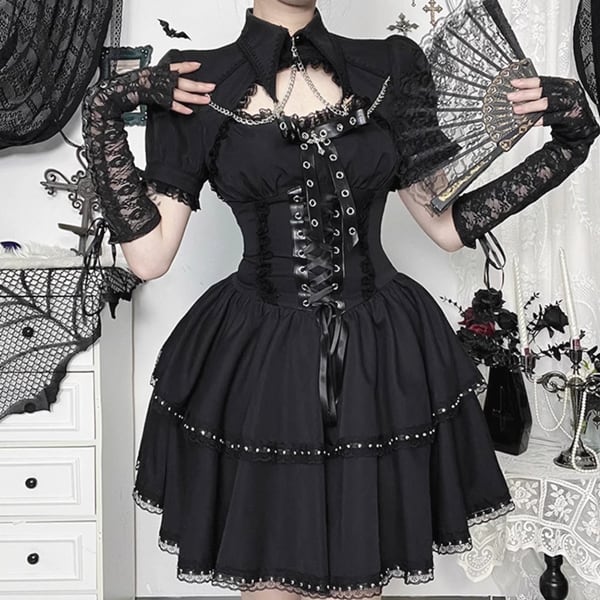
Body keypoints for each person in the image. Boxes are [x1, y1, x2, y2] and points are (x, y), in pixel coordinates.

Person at [81, 0, 599, 598]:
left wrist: (569, 142)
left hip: (379, 355)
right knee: (270, 581)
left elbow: (445, 225)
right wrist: (102, 110)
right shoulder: (196, 80)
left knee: (360, 580)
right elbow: (149, 258)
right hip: (263, 363)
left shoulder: (391, 67)